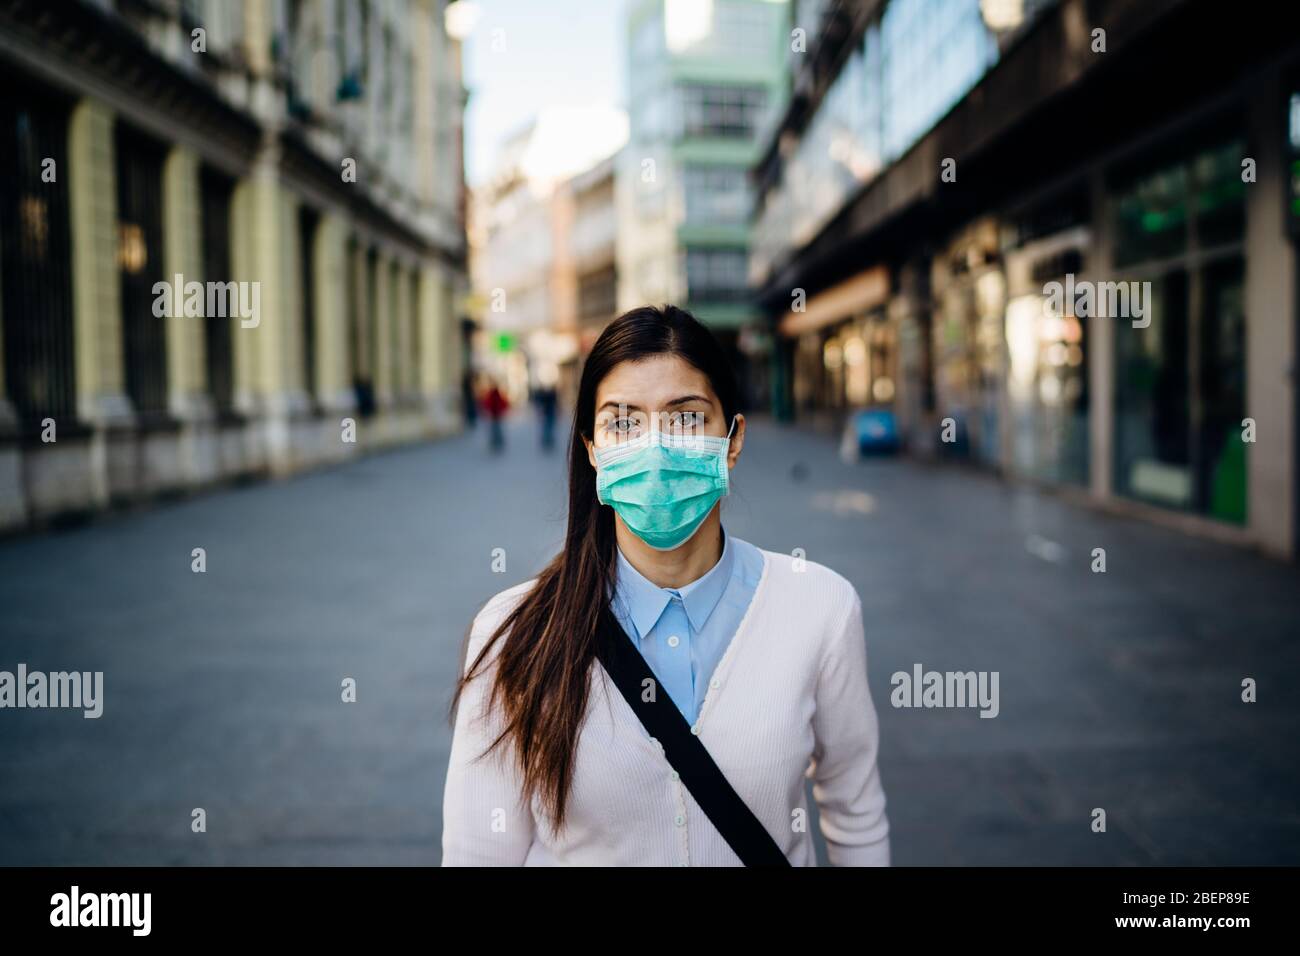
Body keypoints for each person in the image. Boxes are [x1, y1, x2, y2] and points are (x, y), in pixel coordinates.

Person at [441, 305, 889, 866]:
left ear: (732, 440)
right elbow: (479, 853)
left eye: (685, 417)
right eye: (623, 422)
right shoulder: (518, 632)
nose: (655, 448)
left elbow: (854, 809)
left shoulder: (820, 608)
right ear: (593, 450)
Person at [479, 378, 509, 452]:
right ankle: (497, 441)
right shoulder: (496, 394)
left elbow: (487, 403)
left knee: (495, 428)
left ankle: (496, 441)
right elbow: (503, 403)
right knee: (496, 428)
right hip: (495, 414)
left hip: (494, 414)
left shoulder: (494, 395)